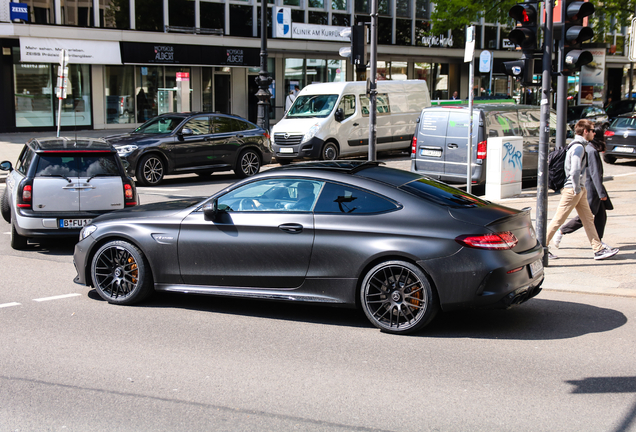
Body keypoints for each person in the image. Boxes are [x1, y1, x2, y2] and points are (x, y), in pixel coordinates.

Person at [546, 119, 618, 261]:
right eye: (592, 130)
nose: (594, 132)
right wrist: (577, 188)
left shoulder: (580, 146)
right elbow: (574, 170)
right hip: (573, 189)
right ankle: (541, 246)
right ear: (585, 132)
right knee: (558, 219)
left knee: (588, 219)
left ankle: (598, 249)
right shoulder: (578, 147)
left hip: (579, 189)